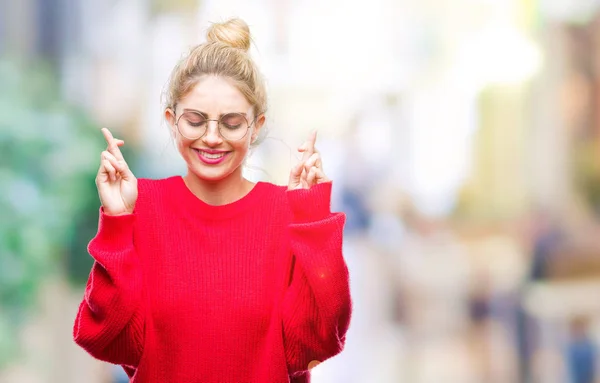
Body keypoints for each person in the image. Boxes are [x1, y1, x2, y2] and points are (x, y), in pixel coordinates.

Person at [72, 18, 352, 383]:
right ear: (172, 121)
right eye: (195, 120)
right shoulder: (142, 206)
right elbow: (109, 338)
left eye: (232, 123)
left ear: (255, 126)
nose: (212, 137)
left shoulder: (286, 213)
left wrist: (312, 216)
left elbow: (317, 340)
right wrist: (117, 218)